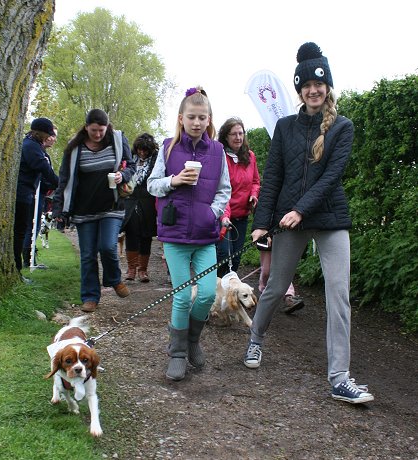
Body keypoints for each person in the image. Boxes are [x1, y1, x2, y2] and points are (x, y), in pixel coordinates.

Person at [243, 42, 374, 404]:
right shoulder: (285, 128)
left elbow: (331, 176)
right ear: (299, 89)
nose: (313, 90)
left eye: (320, 84)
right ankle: (255, 340)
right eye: (306, 85)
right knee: (275, 286)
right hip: (289, 220)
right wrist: (261, 222)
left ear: (327, 86)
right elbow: (272, 178)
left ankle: (340, 377)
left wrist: (301, 209)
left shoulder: (343, 127)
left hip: (329, 218)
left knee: (339, 295)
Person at [147, 86, 231, 381]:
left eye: (202, 117)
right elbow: (152, 184)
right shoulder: (168, 147)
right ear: (181, 118)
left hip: (205, 235)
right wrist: (174, 180)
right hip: (174, 236)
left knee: (207, 294)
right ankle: (178, 352)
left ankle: (193, 341)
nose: (197, 122)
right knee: (182, 297)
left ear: (209, 120)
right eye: (192, 117)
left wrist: (213, 213)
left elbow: (225, 191)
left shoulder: (218, 151)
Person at [52, 109, 136, 313]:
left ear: (107, 127)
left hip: (111, 206)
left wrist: (122, 176)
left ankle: (114, 280)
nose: (98, 134)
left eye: (101, 130)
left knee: (107, 247)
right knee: (88, 255)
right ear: (86, 127)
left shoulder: (117, 140)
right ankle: (90, 296)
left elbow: (132, 166)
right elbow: (64, 179)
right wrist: (58, 209)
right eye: (93, 130)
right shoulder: (74, 148)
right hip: (84, 209)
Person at [14, 117, 59, 280]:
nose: (49, 137)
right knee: (20, 231)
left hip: (26, 192)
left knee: (21, 230)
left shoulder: (32, 144)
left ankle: (18, 266)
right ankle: (17, 269)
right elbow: (43, 167)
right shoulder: (31, 146)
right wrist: (61, 183)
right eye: (48, 134)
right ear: (41, 133)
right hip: (23, 193)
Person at [215, 117, 260, 278]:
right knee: (224, 255)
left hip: (241, 216)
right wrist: (224, 216)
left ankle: (229, 293)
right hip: (223, 216)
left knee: (236, 257)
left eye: (241, 133)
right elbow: (220, 189)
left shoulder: (250, 156)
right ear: (225, 136)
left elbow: (255, 181)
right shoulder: (220, 157)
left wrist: (254, 195)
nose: (238, 137)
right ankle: (215, 288)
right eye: (233, 134)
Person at [121, 133, 159, 282]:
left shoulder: (157, 161)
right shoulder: (129, 159)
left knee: (146, 235)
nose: (142, 153)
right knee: (131, 232)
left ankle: (143, 270)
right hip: (130, 200)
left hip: (148, 202)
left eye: (145, 151)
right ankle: (131, 269)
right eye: (140, 150)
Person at [22, 126, 58, 268]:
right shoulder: (32, 147)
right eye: (52, 135)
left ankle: (29, 258)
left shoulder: (37, 149)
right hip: (31, 193)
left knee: (33, 226)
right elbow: (44, 170)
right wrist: (59, 183)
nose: (53, 139)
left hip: (38, 192)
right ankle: (28, 260)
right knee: (31, 226)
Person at [258, 242, 305, 314]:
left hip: (284, 235)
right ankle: (265, 294)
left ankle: (289, 297)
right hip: (265, 237)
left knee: (283, 269)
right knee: (266, 271)